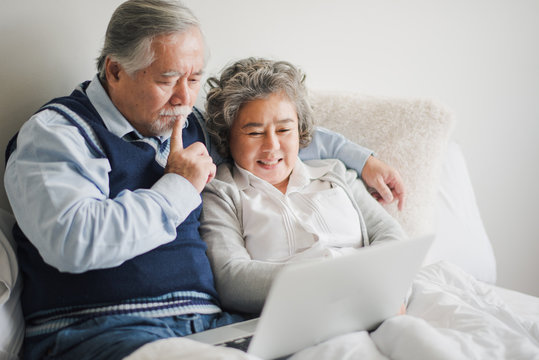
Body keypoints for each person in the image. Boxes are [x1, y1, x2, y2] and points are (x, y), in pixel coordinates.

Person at [3, 1, 404, 359]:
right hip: (101, 330)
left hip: (213, 328)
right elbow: (75, 241)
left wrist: (363, 160)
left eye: (194, 79)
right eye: (167, 79)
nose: (184, 98)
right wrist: (177, 186)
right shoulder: (58, 134)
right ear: (115, 70)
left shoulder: (193, 126)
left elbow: (271, 138)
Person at [201, 58, 407, 314]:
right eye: (254, 133)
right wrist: (334, 283)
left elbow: (393, 239)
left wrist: (382, 288)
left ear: (301, 131)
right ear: (227, 136)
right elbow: (231, 278)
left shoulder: (335, 173)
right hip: (300, 315)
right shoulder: (221, 191)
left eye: (284, 130)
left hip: (377, 303)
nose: (272, 146)